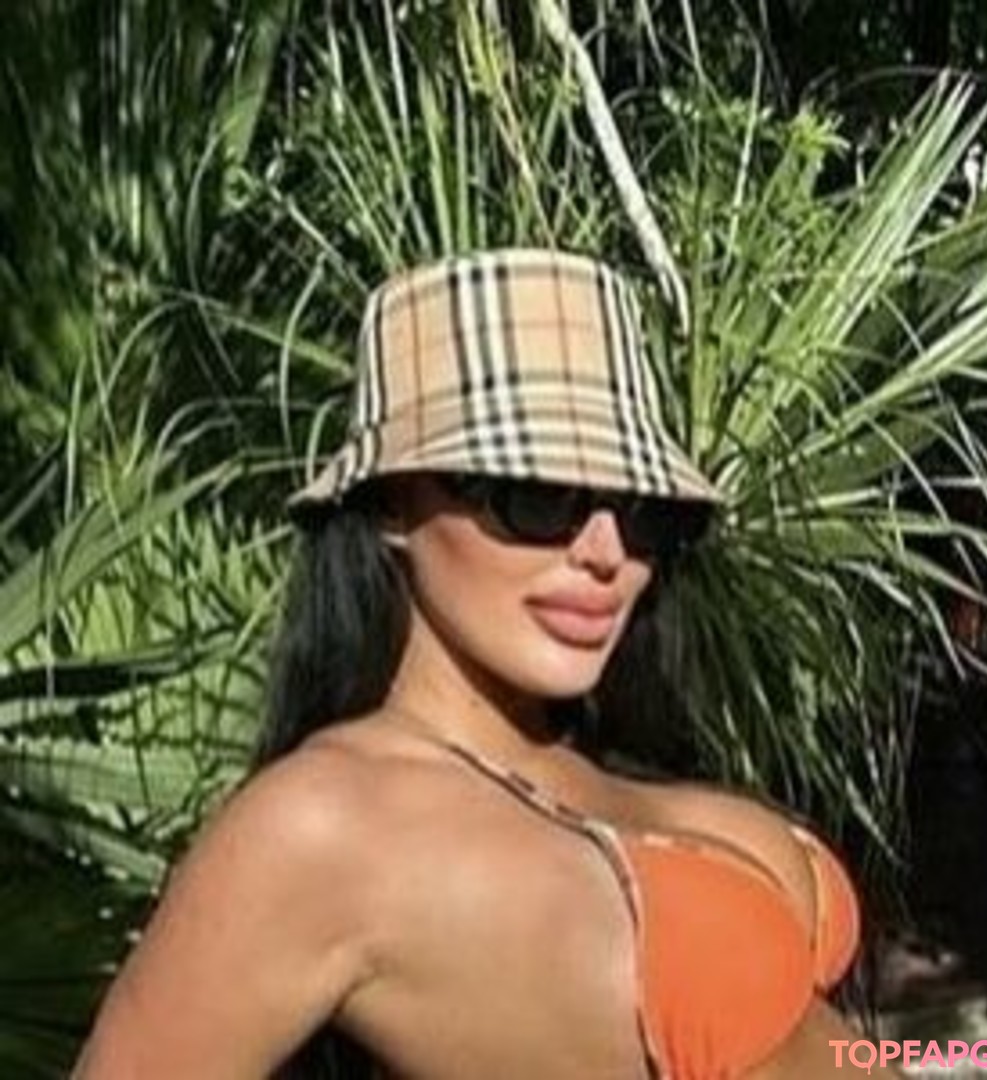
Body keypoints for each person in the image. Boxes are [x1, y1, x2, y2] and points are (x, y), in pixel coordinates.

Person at [75, 248, 885, 1079]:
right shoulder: (319, 826)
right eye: (538, 496)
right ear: (394, 504)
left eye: (640, 510)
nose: (606, 552)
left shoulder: (588, 749)